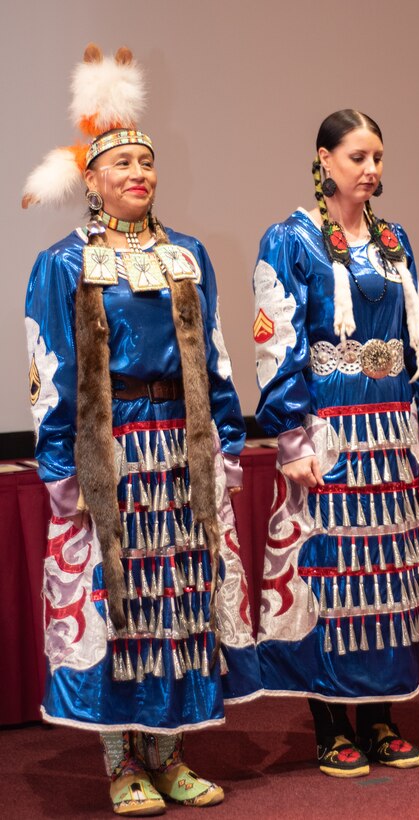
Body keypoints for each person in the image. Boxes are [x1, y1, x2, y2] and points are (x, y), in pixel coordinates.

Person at [23, 45, 260, 815]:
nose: (137, 174)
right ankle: (121, 761)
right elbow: (50, 371)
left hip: (179, 449)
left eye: (144, 163)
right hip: (110, 448)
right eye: (120, 163)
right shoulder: (63, 263)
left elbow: (217, 360)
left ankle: (172, 752)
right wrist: (63, 467)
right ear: (90, 180)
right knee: (117, 600)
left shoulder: (186, 256)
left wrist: (223, 440)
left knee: (177, 598)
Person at [252, 109, 419, 777]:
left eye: (377, 157)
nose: (371, 170)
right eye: (356, 157)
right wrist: (292, 438)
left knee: (389, 576)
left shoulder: (392, 240)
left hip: (391, 430)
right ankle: (327, 724)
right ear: (323, 160)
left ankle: (379, 718)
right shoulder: (290, 241)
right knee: (330, 575)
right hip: (328, 431)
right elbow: (274, 343)